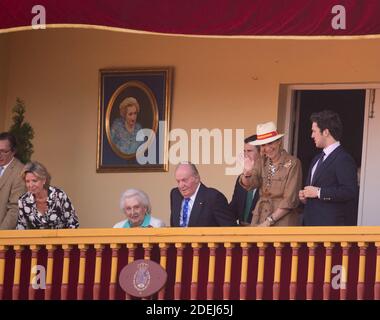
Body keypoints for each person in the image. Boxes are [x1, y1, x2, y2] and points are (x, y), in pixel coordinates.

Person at [299, 110, 358, 226]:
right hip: (310, 225)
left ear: (325, 132)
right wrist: (305, 196)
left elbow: (349, 191)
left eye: (314, 131)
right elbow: (312, 191)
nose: (312, 135)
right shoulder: (316, 159)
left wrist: (319, 192)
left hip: (330, 229)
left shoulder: (343, 158)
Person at [241, 121, 302, 227]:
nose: (267, 148)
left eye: (271, 143)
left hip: (283, 221)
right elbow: (250, 184)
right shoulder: (261, 161)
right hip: (260, 218)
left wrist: (269, 221)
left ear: (279, 142)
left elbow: (290, 199)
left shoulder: (293, 163)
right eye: (263, 145)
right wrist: (246, 173)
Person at [170, 162, 237, 227]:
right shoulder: (175, 194)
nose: (181, 185)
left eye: (184, 180)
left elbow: (230, 229)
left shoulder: (213, 197)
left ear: (196, 178)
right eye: (178, 181)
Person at [16, 161, 79, 229]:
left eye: (34, 181)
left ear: (44, 180)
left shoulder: (59, 196)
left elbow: (73, 224)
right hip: (38, 239)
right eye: (27, 181)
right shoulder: (23, 201)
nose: (30, 185)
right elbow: (21, 227)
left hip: (62, 238)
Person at [229, 134, 260, 225]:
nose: (246, 155)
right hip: (242, 233)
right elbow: (233, 208)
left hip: (261, 232)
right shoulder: (241, 179)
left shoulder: (267, 177)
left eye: (249, 151)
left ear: (261, 152)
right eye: (244, 151)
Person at [0, 132, 26, 229]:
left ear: (13, 151)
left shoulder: (20, 171)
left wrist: (1, 235)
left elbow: (15, 209)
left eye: (4, 151)